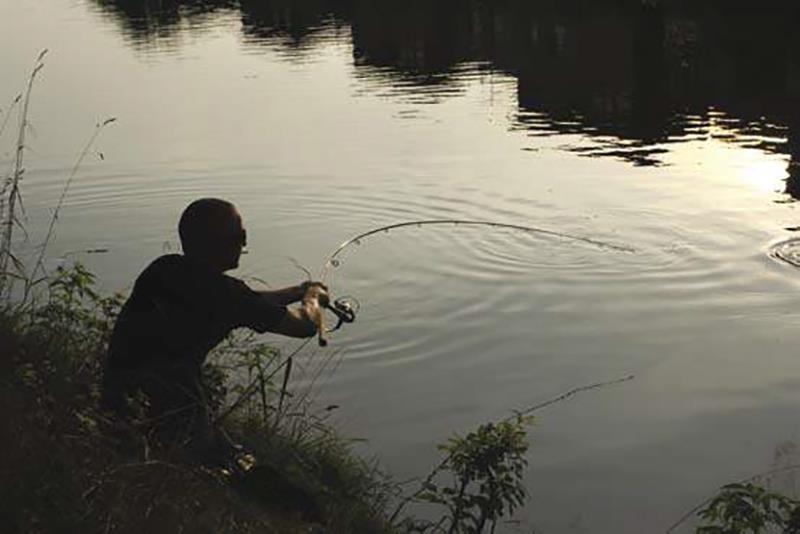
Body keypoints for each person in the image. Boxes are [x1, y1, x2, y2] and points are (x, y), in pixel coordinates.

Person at [101, 198, 328, 462]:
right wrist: (313, 298)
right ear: (216, 242)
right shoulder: (228, 296)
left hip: (116, 399)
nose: (244, 243)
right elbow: (304, 326)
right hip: (172, 419)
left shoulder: (164, 269)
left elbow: (246, 302)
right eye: (239, 235)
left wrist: (295, 291)